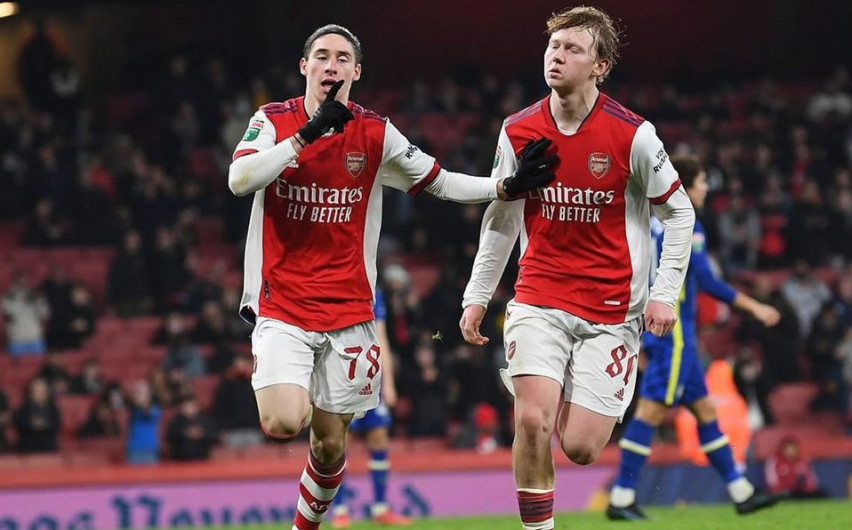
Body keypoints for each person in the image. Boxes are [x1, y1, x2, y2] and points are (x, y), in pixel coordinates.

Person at [227, 24, 556, 530]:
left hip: (348, 313)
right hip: (283, 306)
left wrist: (504, 186)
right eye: (322, 56)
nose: (331, 65)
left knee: (330, 444)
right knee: (281, 420)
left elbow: (440, 181)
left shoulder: (375, 133)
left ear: (356, 71)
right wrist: (307, 135)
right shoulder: (273, 120)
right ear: (304, 67)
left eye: (343, 58)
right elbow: (240, 179)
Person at [458, 7, 695, 530]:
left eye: (573, 49)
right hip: (538, 297)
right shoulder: (518, 130)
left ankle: (559, 384)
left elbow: (680, 214)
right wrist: (477, 295)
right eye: (554, 46)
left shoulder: (634, 135)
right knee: (532, 419)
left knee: (582, 448)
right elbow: (501, 218)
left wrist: (664, 293)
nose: (557, 56)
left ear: (600, 66)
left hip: (612, 310)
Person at [607, 154, 781, 520]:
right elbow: (706, 279)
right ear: (686, 187)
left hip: (666, 332)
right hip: (673, 336)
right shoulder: (684, 222)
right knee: (651, 411)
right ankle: (621, 496)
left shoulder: (648, 221)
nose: (705, 189)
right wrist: (754, 307)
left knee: (705, 411)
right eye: (701, 182)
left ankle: (741, 491)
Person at [331, 289, 410, 527]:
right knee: (339, 442)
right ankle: (340, 510)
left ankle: (380, 508)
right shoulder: (331, 285)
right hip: (342, 376)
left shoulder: (373, 290)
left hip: (370, 377)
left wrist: (389, 383)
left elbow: (380, 337)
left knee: (379, 438)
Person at [765, 436, 829, 499]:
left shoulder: (804, 460)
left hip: (801, 491)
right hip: (784, 492)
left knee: (822, 493)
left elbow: (811, 479)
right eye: (790, 449)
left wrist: (809, 488)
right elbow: (772, 481)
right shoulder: (774, 461)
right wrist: (779, 490)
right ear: (783, 450)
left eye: (794, 448)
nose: (792, 451)